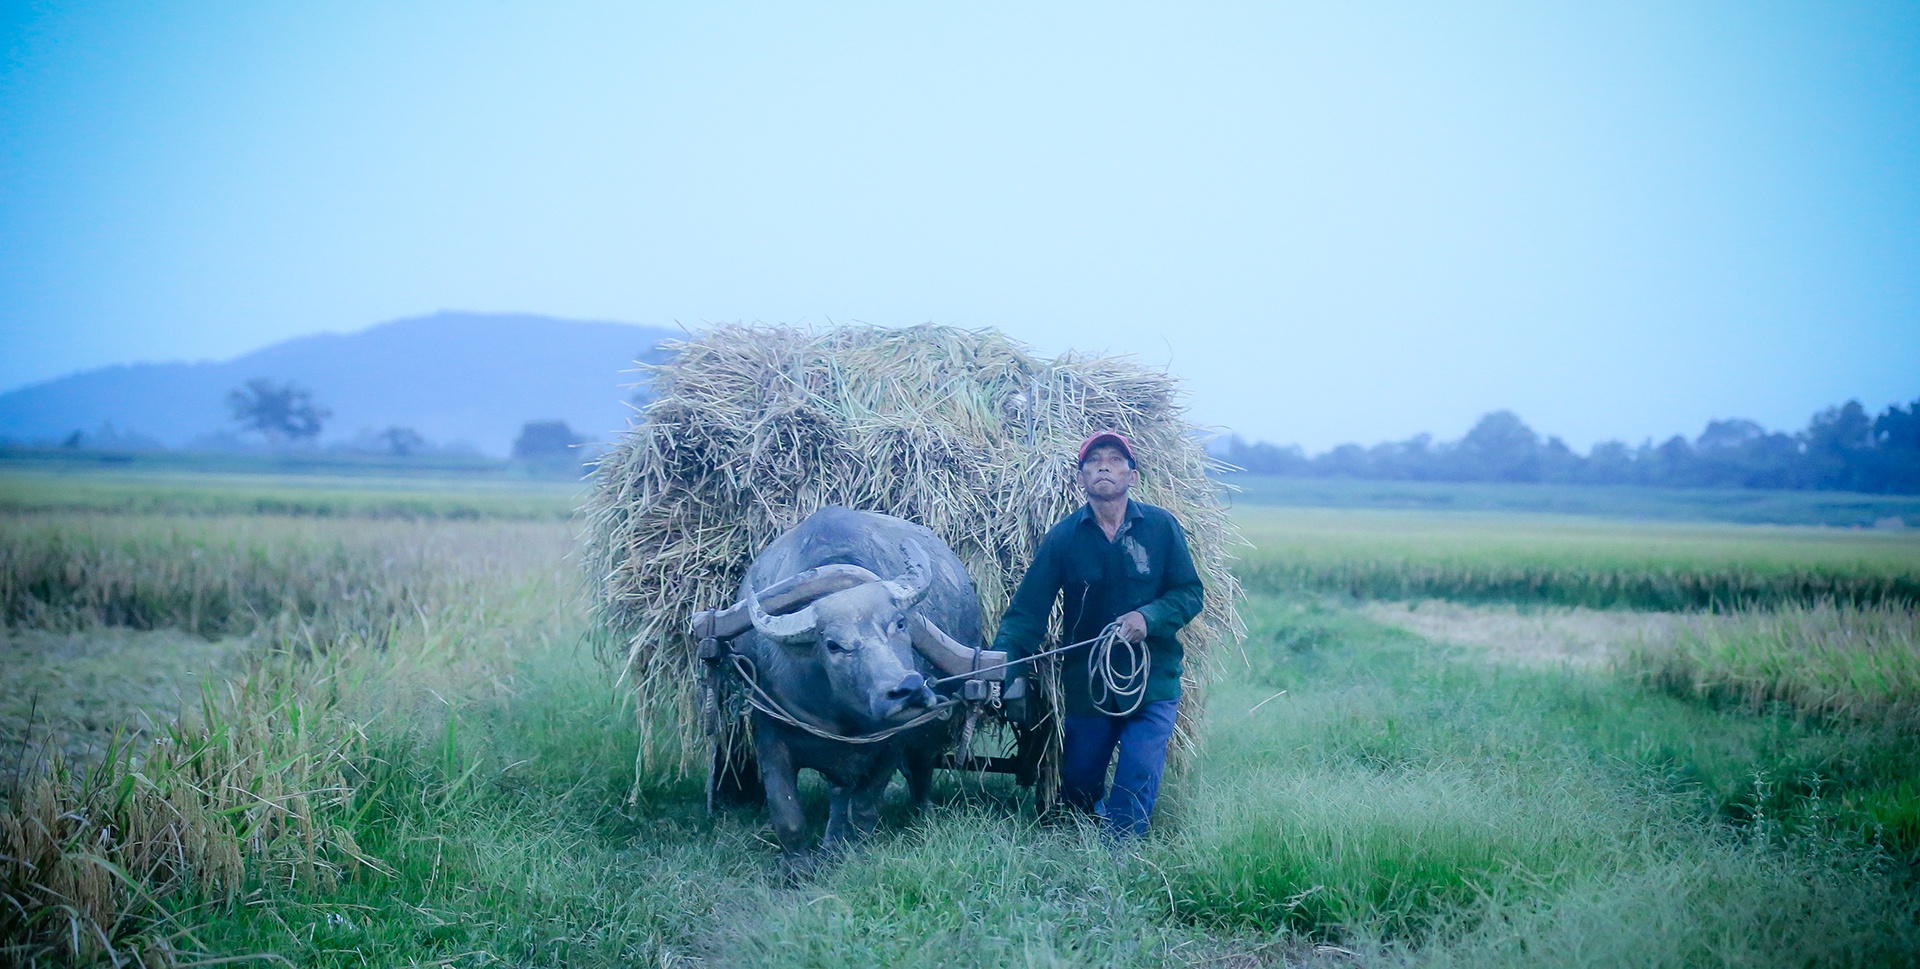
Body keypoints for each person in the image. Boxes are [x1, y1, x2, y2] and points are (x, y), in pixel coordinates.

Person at [991, 430, 1205, 839]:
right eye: (1093, 461)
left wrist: (1150, 617)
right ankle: (1085, 835)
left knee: (1138, 770)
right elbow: (1026, 614)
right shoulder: (1063, 538)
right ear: (1081, 478)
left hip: (1152, 679)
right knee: (1080, 780)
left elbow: (1189, 593)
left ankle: (1120, 857)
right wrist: (998, 665)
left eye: (1114, 459)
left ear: (1132, 475)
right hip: (1088, 684)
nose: (1104, 465)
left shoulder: (1161, 529)